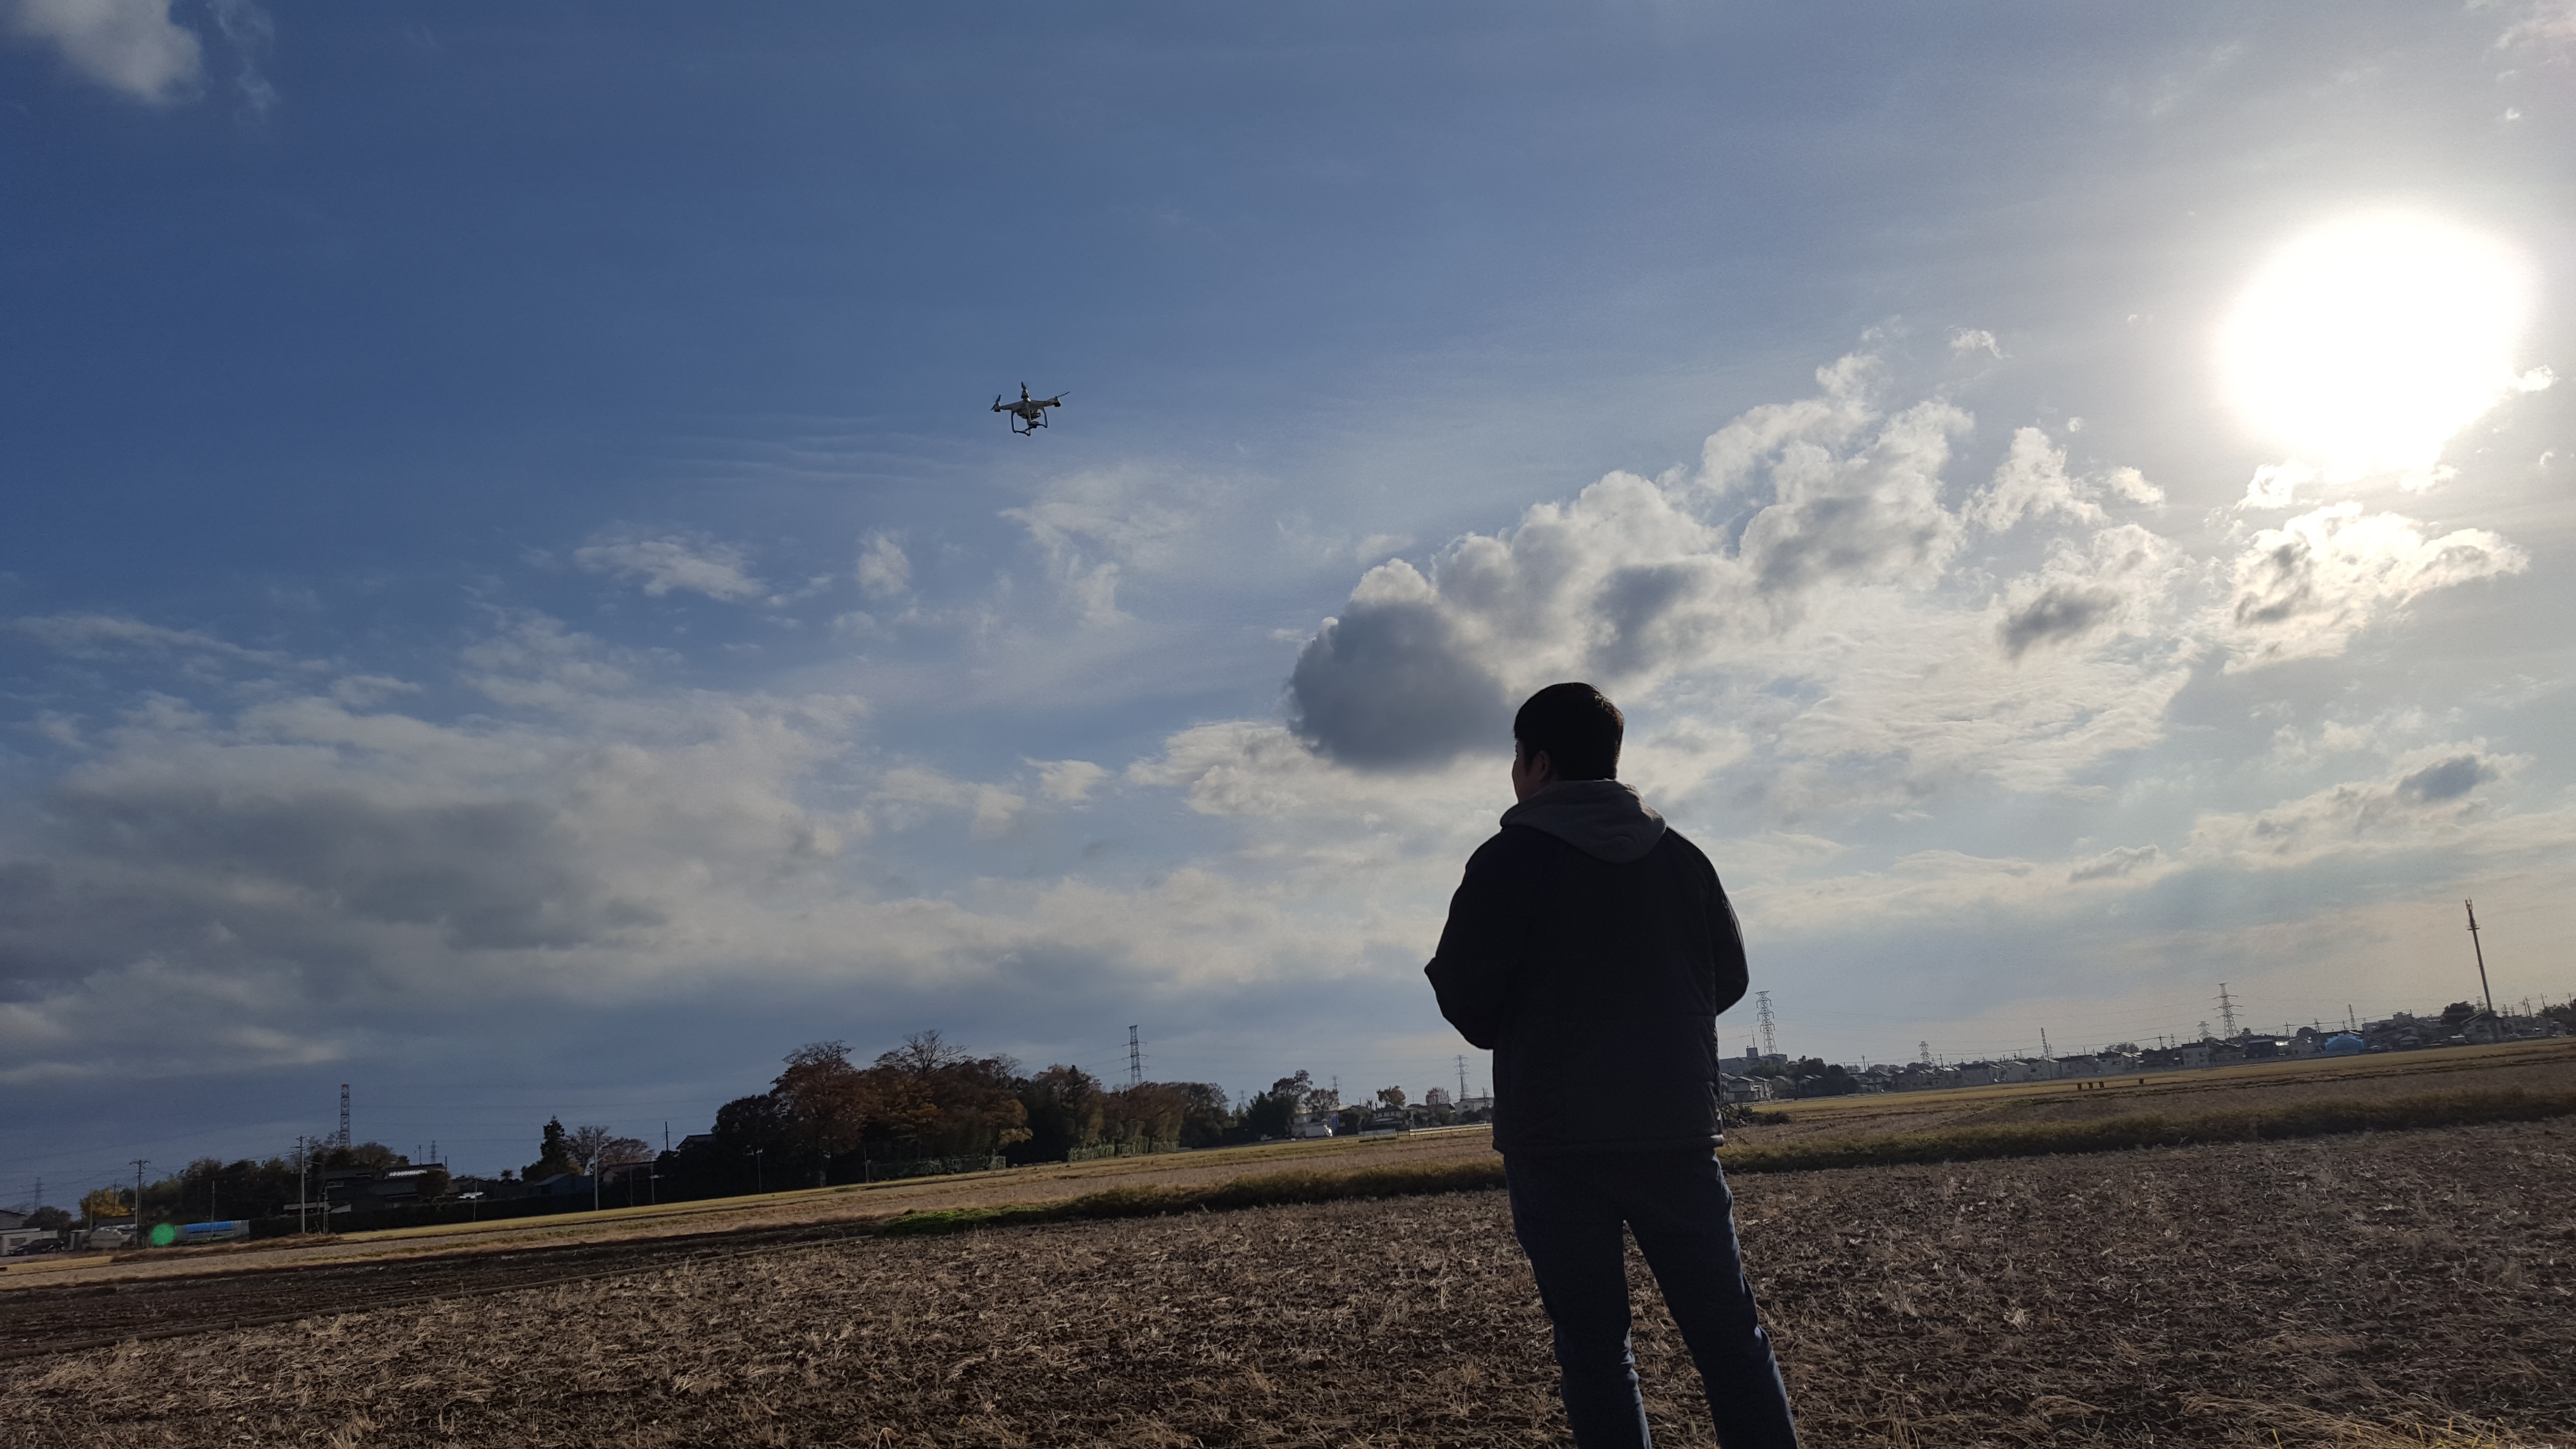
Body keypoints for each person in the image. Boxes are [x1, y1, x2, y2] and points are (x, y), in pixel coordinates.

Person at [1426, 682, 1798, 1449]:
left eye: (1517, 757)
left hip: (1555, 1141)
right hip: (1675, 1130)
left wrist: (1527, 1032)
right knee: (1730, 1339)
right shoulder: (1684, 858)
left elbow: (1467, 997)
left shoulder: (1506, 860)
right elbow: (1726, 978)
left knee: (1596, 1349)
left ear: (1538, 763)